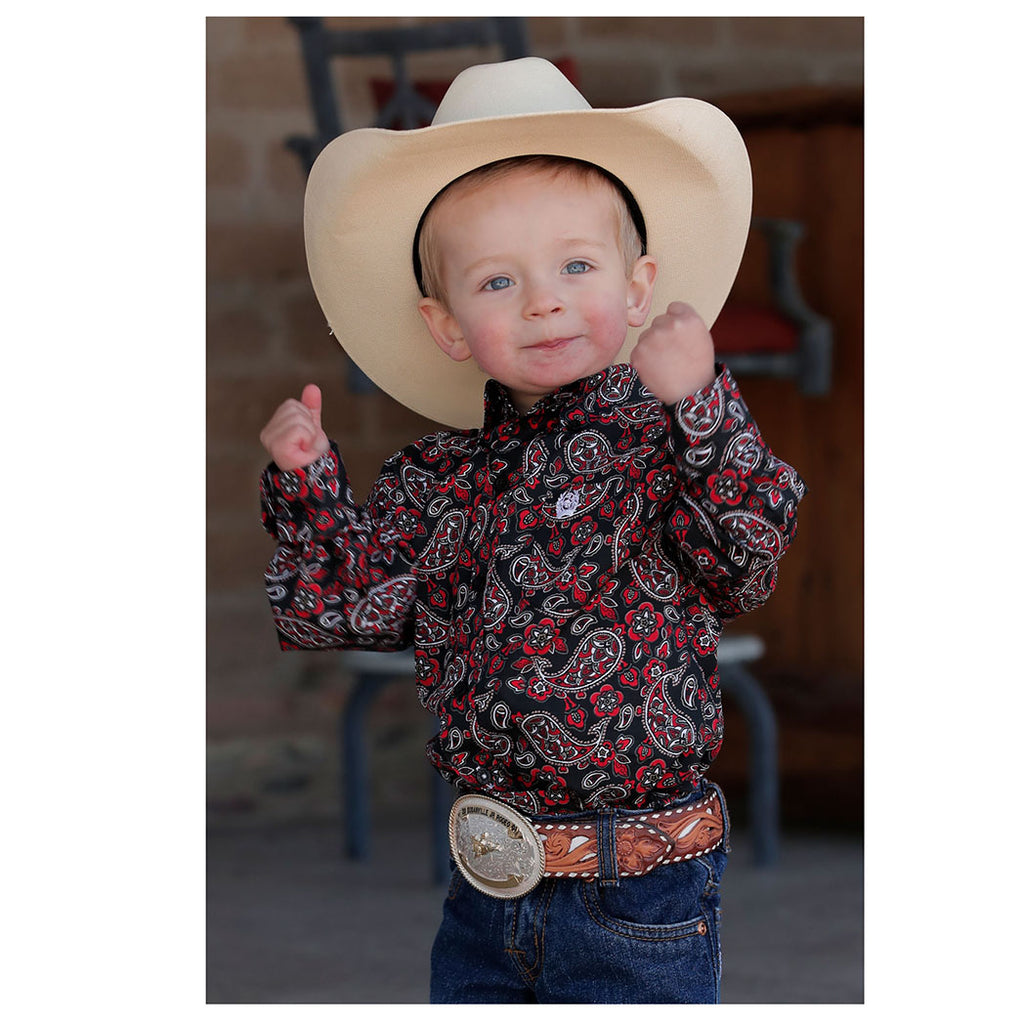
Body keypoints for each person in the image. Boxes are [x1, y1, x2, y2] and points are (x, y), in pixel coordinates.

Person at [259, 58, 806, 1003]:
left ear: (639, 292)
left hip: (638, 891)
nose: (542, 299)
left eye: (576, 266)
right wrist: (308, 484)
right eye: (498, 280)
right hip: (487, 887)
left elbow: (747, 553)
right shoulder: (439, 479)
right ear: (448, 325)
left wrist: (703, 406)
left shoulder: (664, 442)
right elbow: (344, 610)